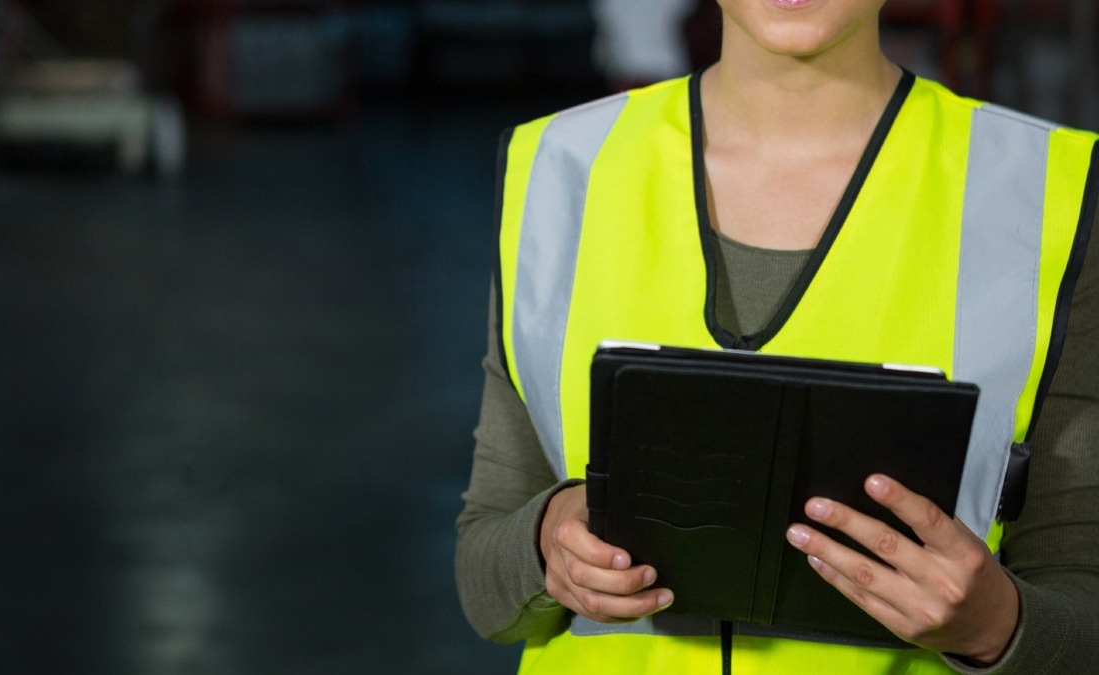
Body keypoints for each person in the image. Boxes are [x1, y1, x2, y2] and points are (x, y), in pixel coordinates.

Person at [456, 0, 1099, 673]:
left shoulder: (1044, 193)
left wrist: (995, 623)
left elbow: (1081, 599)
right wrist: (543, 538)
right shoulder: (561, 172)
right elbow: (483, 582)